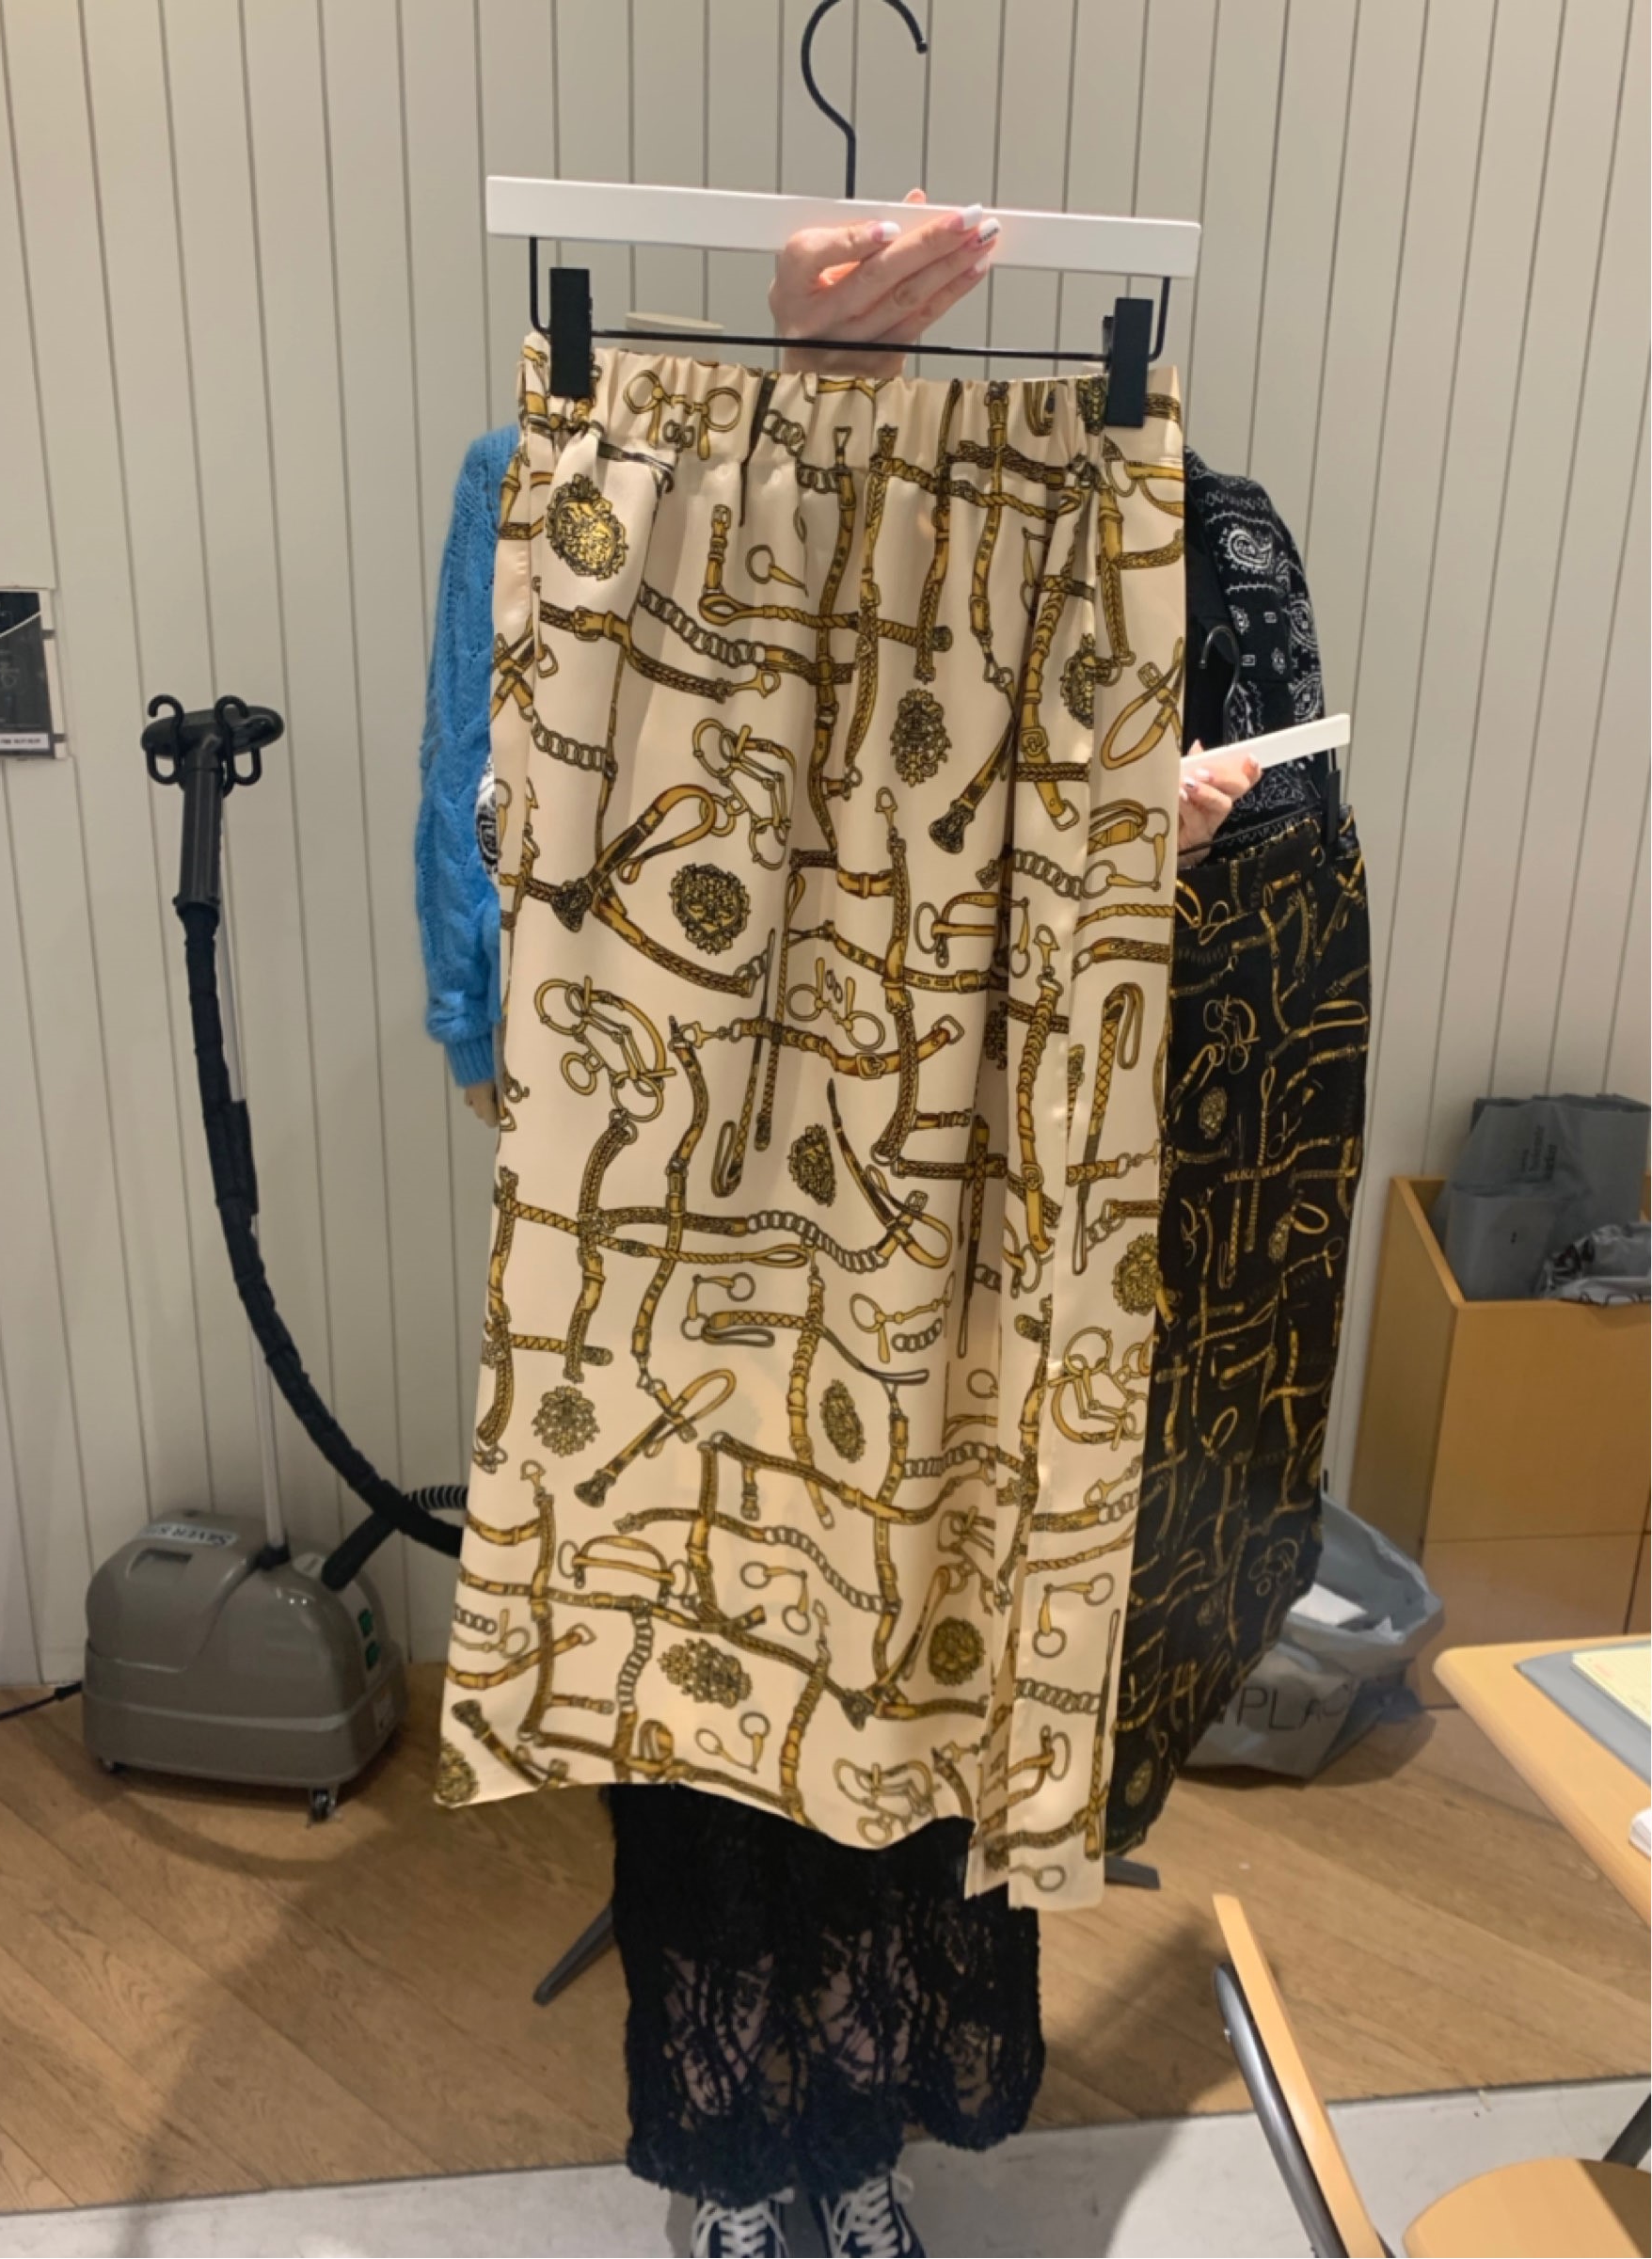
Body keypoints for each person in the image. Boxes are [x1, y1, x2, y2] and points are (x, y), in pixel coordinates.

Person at [417, 198, 1258, 2259]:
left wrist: (1119, 844)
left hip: (953, 1187)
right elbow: (486, 874)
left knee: (917, 1648)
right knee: (703, 1678)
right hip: (687, 1180)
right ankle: (736, 2158)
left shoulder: (1082, 512)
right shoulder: (570, 473)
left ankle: (855, 2139)